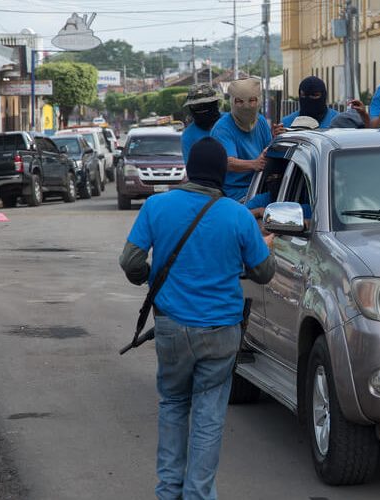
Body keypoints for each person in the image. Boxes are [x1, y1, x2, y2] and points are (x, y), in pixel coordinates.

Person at [119, 136, 275, 500]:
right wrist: (263, 246)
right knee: (208, 414)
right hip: (221, 332)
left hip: (172, 329)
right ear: (222, 173)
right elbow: (264, 272)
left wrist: (148, 276)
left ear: (188, 169)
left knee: (173, 404)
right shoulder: (237, 215)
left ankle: (168, 492)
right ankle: (198, 494)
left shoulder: (156, 206)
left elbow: (130, 262)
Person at [209, 78, 272, 200]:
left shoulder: (261, 122)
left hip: (260, 187)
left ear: (259, 100)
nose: (246, 106)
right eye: (239, 101)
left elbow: (269, 151)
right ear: (232, 102)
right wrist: (254, 164)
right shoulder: (222, 128)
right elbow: (227, 162)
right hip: (234, 194)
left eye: (252, 100)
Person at [181, 84, 224, 161]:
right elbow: (193, 169)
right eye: (196, 106)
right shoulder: (188, 136)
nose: (202, 108)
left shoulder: (232, 122)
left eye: (206, 104)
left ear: (215, 103)